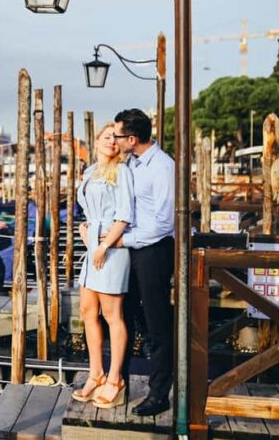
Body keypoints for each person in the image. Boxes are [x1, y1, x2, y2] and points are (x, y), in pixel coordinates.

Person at [109, 108, 175, 416]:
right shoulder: (130, 164)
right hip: (130, 248)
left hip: (153, 251)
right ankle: (118, 381)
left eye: (118, 135)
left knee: (157, 322)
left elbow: (164, 223)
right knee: (127, 314)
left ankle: (159, 394)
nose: (115, 139)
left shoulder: (162, 167)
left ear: (132, 139)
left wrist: (126, 239)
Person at [71, 122, 134, 409]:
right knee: (87, 311)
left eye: (115, 137)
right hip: (91, 247)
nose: (111, 141)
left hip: (110, 248)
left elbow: (124, 216)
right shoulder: (88, 172)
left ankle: (115, 379)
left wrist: (105, 245)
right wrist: (85, 228)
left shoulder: (122, 171)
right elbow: (88, 210)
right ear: (96, 139)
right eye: (107, 136)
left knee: (112, 315)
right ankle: (95, 372)